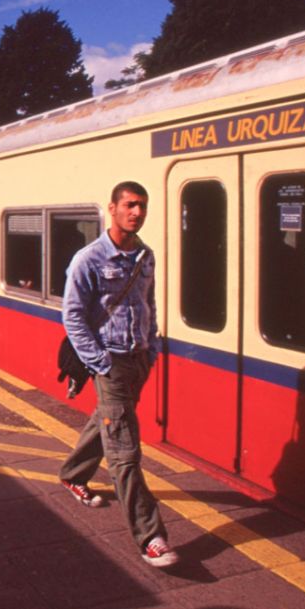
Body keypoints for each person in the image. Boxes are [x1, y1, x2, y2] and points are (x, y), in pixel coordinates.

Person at [59, 181, 178, 568]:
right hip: (109, 360)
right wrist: (100, 362)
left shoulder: (145, 255)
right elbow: (72, 317)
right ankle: (151, 536)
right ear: (112, 208)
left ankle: (73, 473)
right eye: (129, 205)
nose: (137, 212)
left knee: (109, 420)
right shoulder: (89, 259)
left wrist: (153, 345)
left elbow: (149, 303)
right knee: (125, 450)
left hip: (138, 358)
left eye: (141, 206)